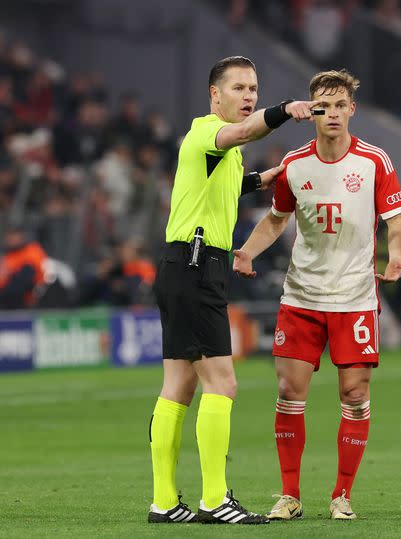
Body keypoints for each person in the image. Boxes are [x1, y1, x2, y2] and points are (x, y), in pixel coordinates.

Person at [233, 69, 401, 521]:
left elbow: (396, 222)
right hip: (303, 296)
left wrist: (395, 257)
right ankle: (289, 495)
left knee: (354, 394)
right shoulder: (295, 163)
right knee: (290, 391)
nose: (331, 114)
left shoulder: (374, 161)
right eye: (322, 107)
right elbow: (277, 218)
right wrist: (247, 252)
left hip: (354, 297)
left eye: (339, 106)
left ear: (352, 109)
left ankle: (342, 495)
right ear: (310, 112)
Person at [148, 55, 318, 525]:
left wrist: (263, 179)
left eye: (254, 89)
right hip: (196, 266)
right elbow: (243, 134)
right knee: (223, 383)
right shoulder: (207, 131)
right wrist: (286, 109)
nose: (249, 96)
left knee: (178, 386)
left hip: (188, 265)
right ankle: (214, 499)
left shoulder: (215, 149)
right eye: (239, 88)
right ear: (214, 94)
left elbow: (219, 186)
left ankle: (164, 503)